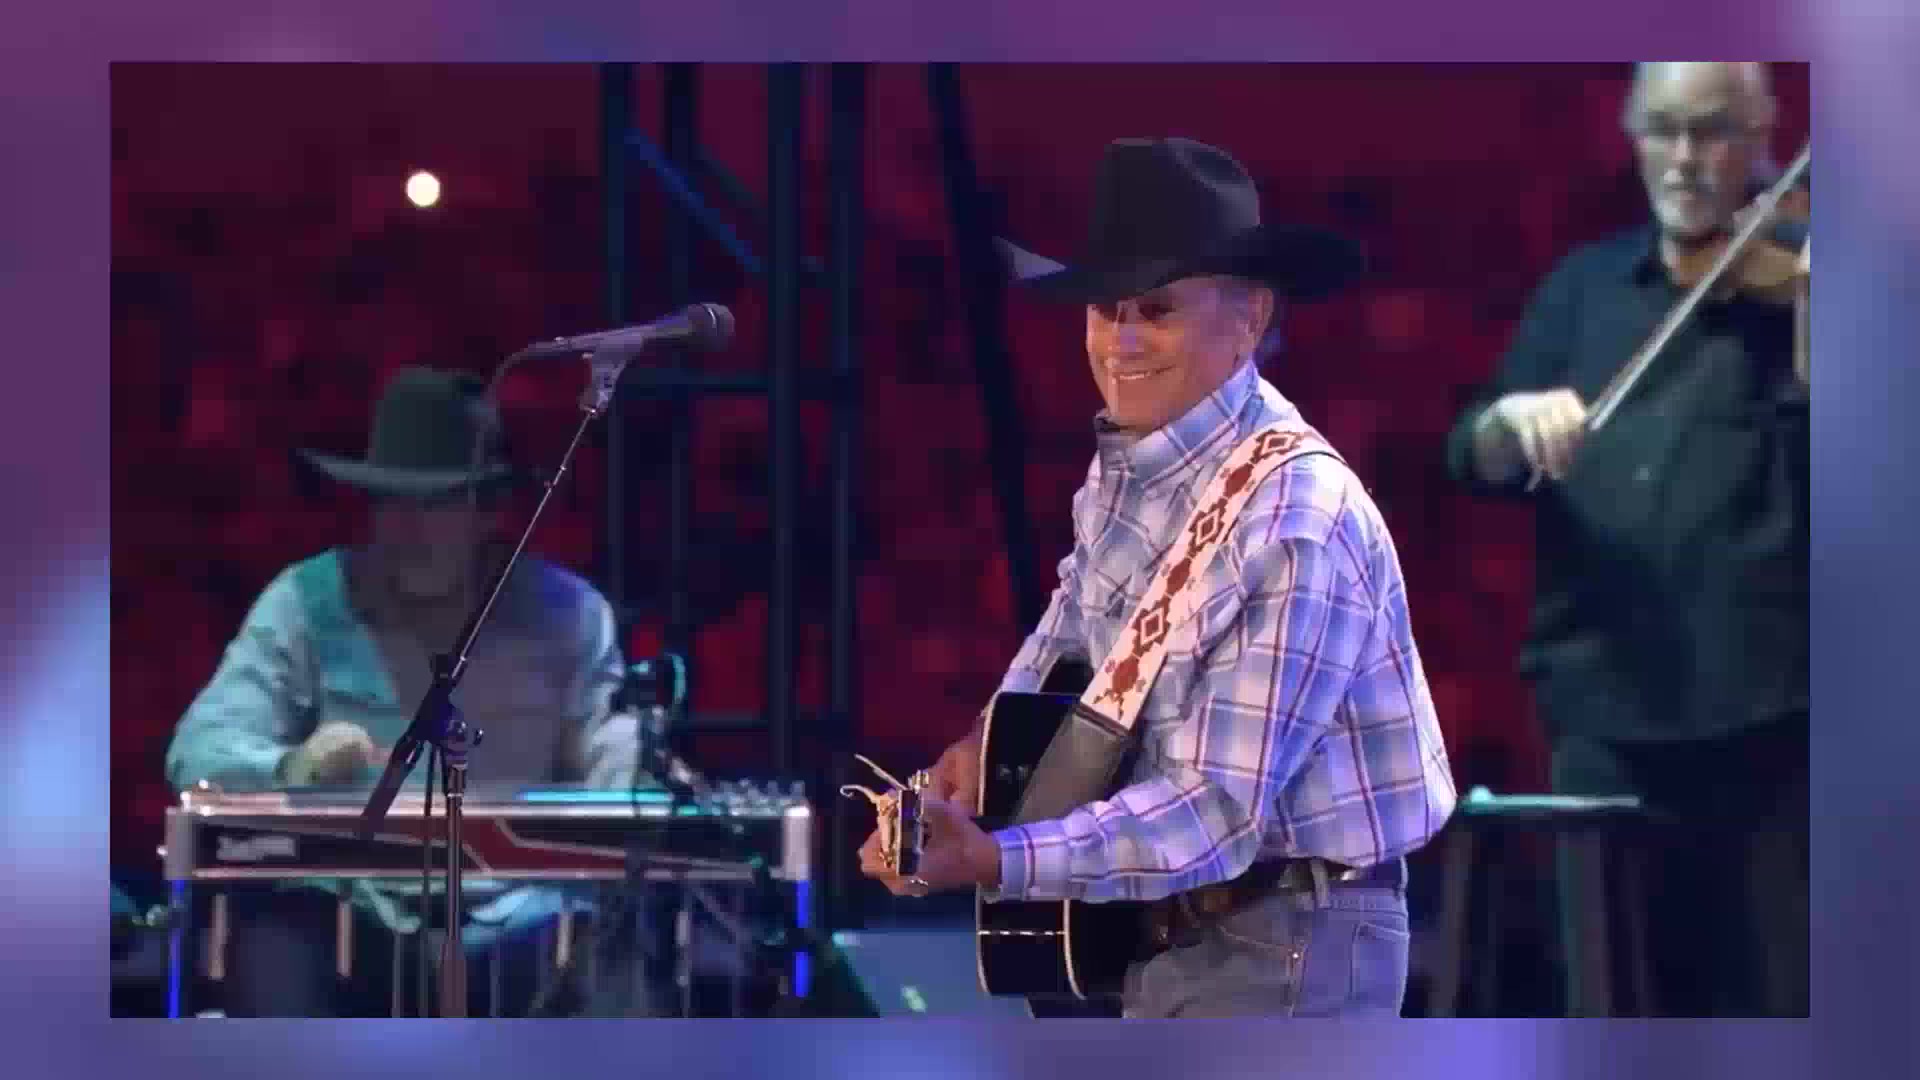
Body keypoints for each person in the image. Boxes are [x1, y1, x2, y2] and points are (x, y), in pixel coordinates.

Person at [859, 137, 1459, 1018]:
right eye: (1107, 310)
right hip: (1176, 928)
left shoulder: (1297, 517)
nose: (1123, 340)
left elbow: (1216, 807)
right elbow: (1071, 630)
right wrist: (982, 751)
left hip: (1290, 937)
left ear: (1249, 318)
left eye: (1157, 309)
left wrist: (998, 858)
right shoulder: (1134, 466)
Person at [1442, 62, 1808, 1017]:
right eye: (1663, 130)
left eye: (1713, 131)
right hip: (1603, 710)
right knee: (1615, 1002)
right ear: (1634, 138)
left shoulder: (1809, 286)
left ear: (1761, 142)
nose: (1685, 158)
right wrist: (1509, 421)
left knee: (1780, 1002)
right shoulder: (1584, 288)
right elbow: (1471, 450)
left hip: (1774, 725)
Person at [164, 367, 642, 1016]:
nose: (406, 527)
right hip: (354, 914)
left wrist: (630, 767)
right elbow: (199, 746)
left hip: (524, 924)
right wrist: (289, 767)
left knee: (612, 955)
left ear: (488, 512)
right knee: (273, 939)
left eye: (434, 504)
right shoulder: (307, 602)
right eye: (389, 502)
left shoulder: (570, 615)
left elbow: (615, 757)